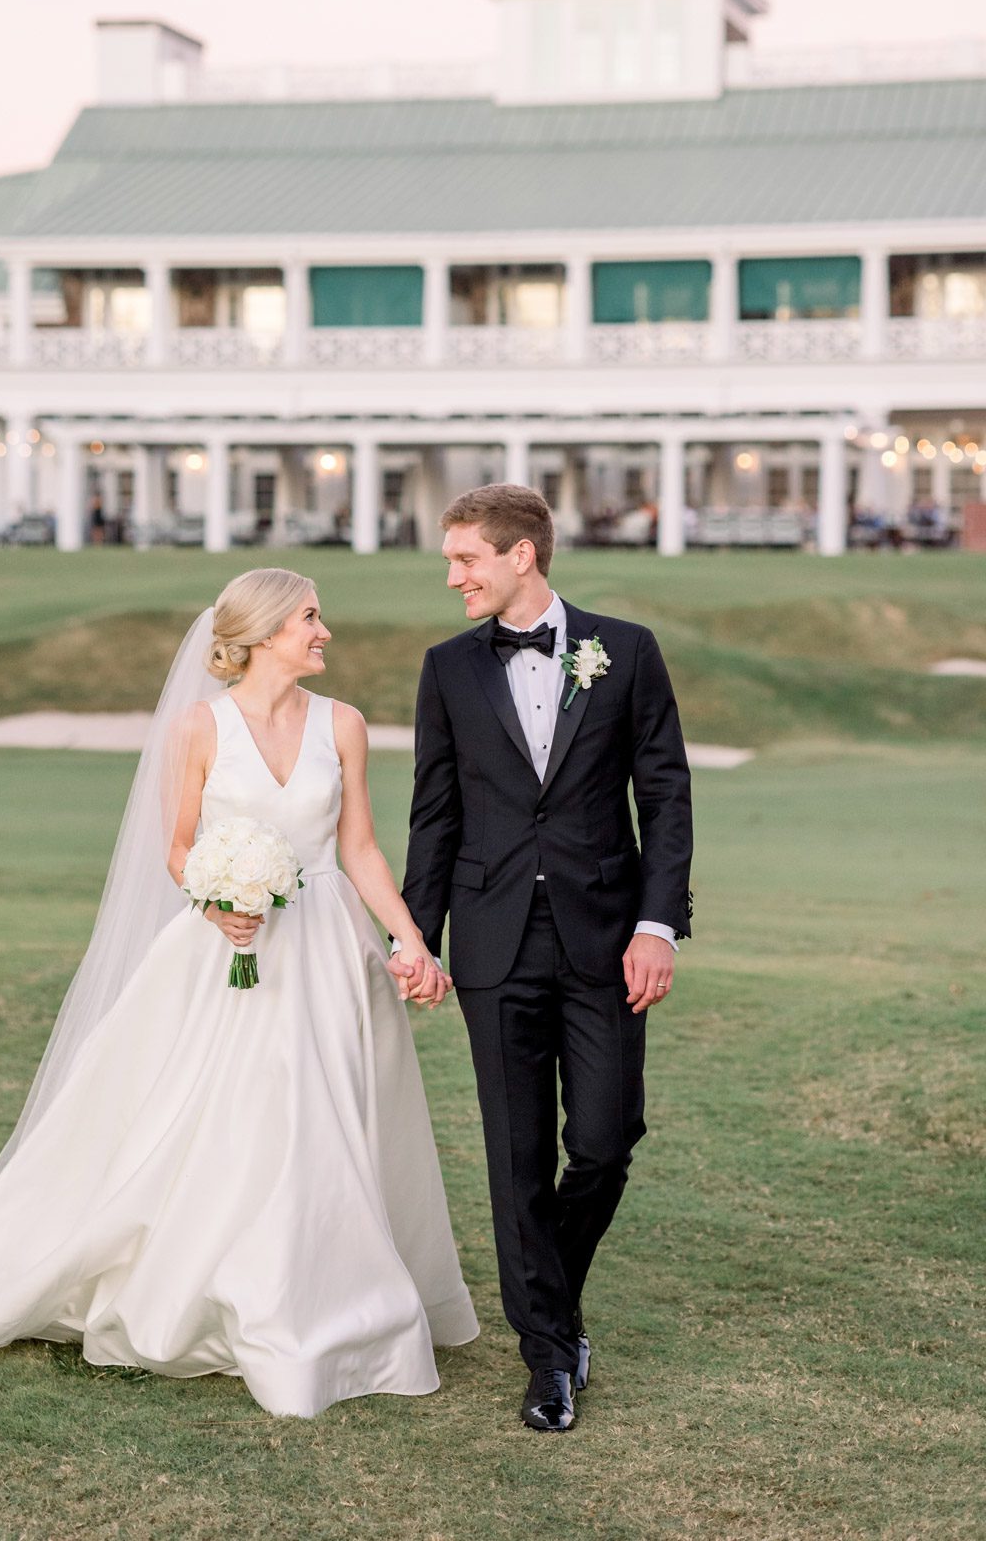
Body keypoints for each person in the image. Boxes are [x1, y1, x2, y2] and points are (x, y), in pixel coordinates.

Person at [0, 568, 477, 1418]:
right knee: (223, 1115)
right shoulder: (199, 728)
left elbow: (362, 847)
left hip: (328, 948)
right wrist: (219, 899)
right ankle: (219, 1290)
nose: (325, 631)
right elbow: (180, 846)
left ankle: (315, 1291)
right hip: (225, 952)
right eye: (309, 617)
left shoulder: (345, 725)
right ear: (262, 633)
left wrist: (406, 938)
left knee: (319, 1114)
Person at [399, 484, 692, 1432]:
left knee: (606, 1140)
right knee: (516, 1153)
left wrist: (657, 926)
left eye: (466, 560)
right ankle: (548, 1356)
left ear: (521, 554)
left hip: (607, 939)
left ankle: (548, 1299)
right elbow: (434, 815)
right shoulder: (446, 669)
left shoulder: (629, 651)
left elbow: (667, 798)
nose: (454, 578)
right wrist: (417, 937)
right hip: (491, 943)